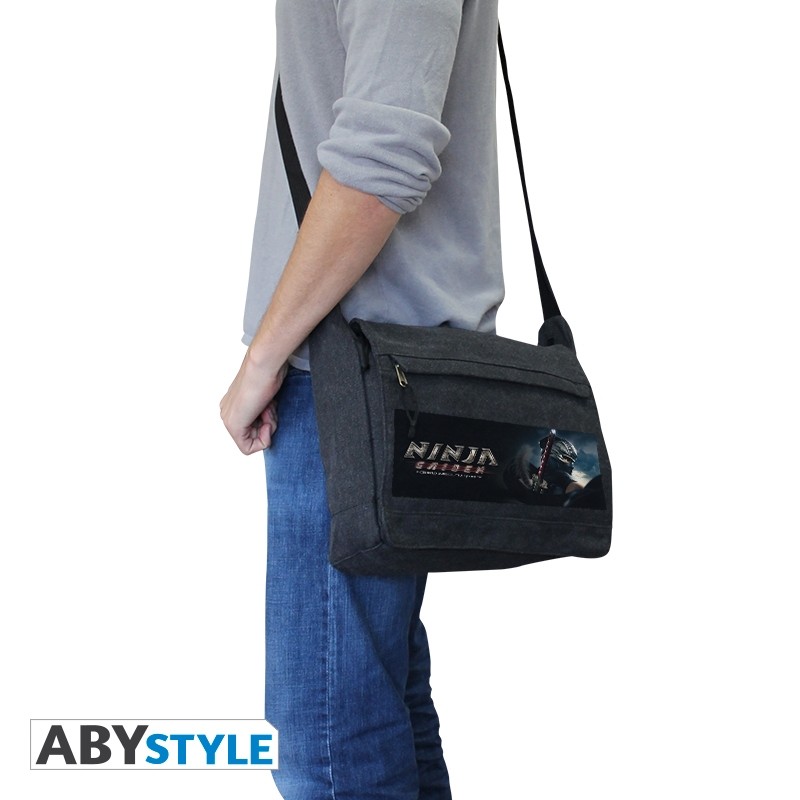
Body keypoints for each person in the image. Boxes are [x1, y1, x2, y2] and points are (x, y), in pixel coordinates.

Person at [220, 1, 503, 797]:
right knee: (377, 711)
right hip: (370, 370)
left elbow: (385, 157)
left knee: (328, 746)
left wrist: (264, 358)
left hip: (354, 380)